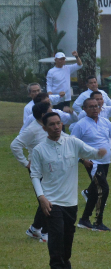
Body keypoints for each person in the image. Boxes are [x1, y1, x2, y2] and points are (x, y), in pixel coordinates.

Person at [30, 112, 106, 269]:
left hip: (70, 201)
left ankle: (65, 262)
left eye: (58, 123)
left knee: (68, 235)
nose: (56, 127)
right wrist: (41, 197)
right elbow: (35, 175)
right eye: (52, 125)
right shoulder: (39, 150)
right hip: (51, 200)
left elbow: (91, 152)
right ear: (45, 128)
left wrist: (100, 153)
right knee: (56, 235)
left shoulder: (72, 142)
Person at [71, 97, 111, 231]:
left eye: (97, 106)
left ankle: (84, 220)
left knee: (93, 192)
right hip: (93, 163)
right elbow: (72, 145)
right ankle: (98, 223)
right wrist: (82, 160)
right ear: (84, 109)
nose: (95, 109)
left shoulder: (105, 122)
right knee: (103, 190)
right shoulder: (80, 125)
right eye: (91, 106)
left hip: (105, 162)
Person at [12, 101, 55, 242]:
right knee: (49, 199)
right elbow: (15, 145)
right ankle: (46, 233)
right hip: (38, 170)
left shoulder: (47, 127)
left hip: (50, 168)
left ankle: (35, 229)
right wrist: (25, 163)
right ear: (44, 115)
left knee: (48, 198)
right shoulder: (32, 129)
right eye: (51, 110)